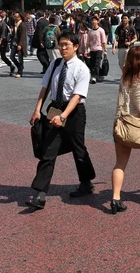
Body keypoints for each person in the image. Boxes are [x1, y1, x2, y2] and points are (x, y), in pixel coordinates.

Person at [27, 31, 96, 209]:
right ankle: (40, 194)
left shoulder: (82, 69)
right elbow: (45, 87)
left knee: (78, 149)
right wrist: (37, 110)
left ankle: (86, 182)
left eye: (67, 44)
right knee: (48, 150)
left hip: (74, 113)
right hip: (54, 109)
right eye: (61, 44)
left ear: (75, 47)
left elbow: (77, 96)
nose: (63, 48)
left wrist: (63, 116)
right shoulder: (55, 63)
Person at [110, 46, 140, 214]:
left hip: (123, 123)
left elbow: (120, 102)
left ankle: (116, 198)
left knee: (120, 163)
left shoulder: (124, 78)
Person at [87, 15, 107, 83]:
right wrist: (87, 50)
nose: (93, 21)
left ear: (98, 21)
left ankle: (94, 76)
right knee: (92, 64)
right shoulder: (90, 31)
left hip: (99, 48)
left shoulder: (101, 30)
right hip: (92, 49)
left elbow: (104, 41)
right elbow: (88, 42)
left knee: (97, 63)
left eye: (95, 20)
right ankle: (98, 75)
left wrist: (105, 50)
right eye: (92, 20)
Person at [11, 11, 27, 78]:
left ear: (20, 17)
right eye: (14, 16)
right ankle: (20, 67)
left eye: (16, 17)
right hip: (14, 43)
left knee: (20, 58)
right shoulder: (15, 24)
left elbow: (23, 36)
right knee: (12, 56)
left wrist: (20, 44)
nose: (15, 18)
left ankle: (20, 72)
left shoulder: (22, 25)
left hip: (20, 43)